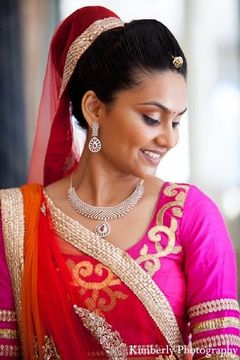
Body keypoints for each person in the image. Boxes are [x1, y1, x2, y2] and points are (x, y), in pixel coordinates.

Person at [0, 5, 239, 360]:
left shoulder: (192, 215)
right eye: (151, 118)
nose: (169, 139)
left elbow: (221, 352)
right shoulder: (15, 222)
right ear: (95, 108)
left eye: (175, 122)